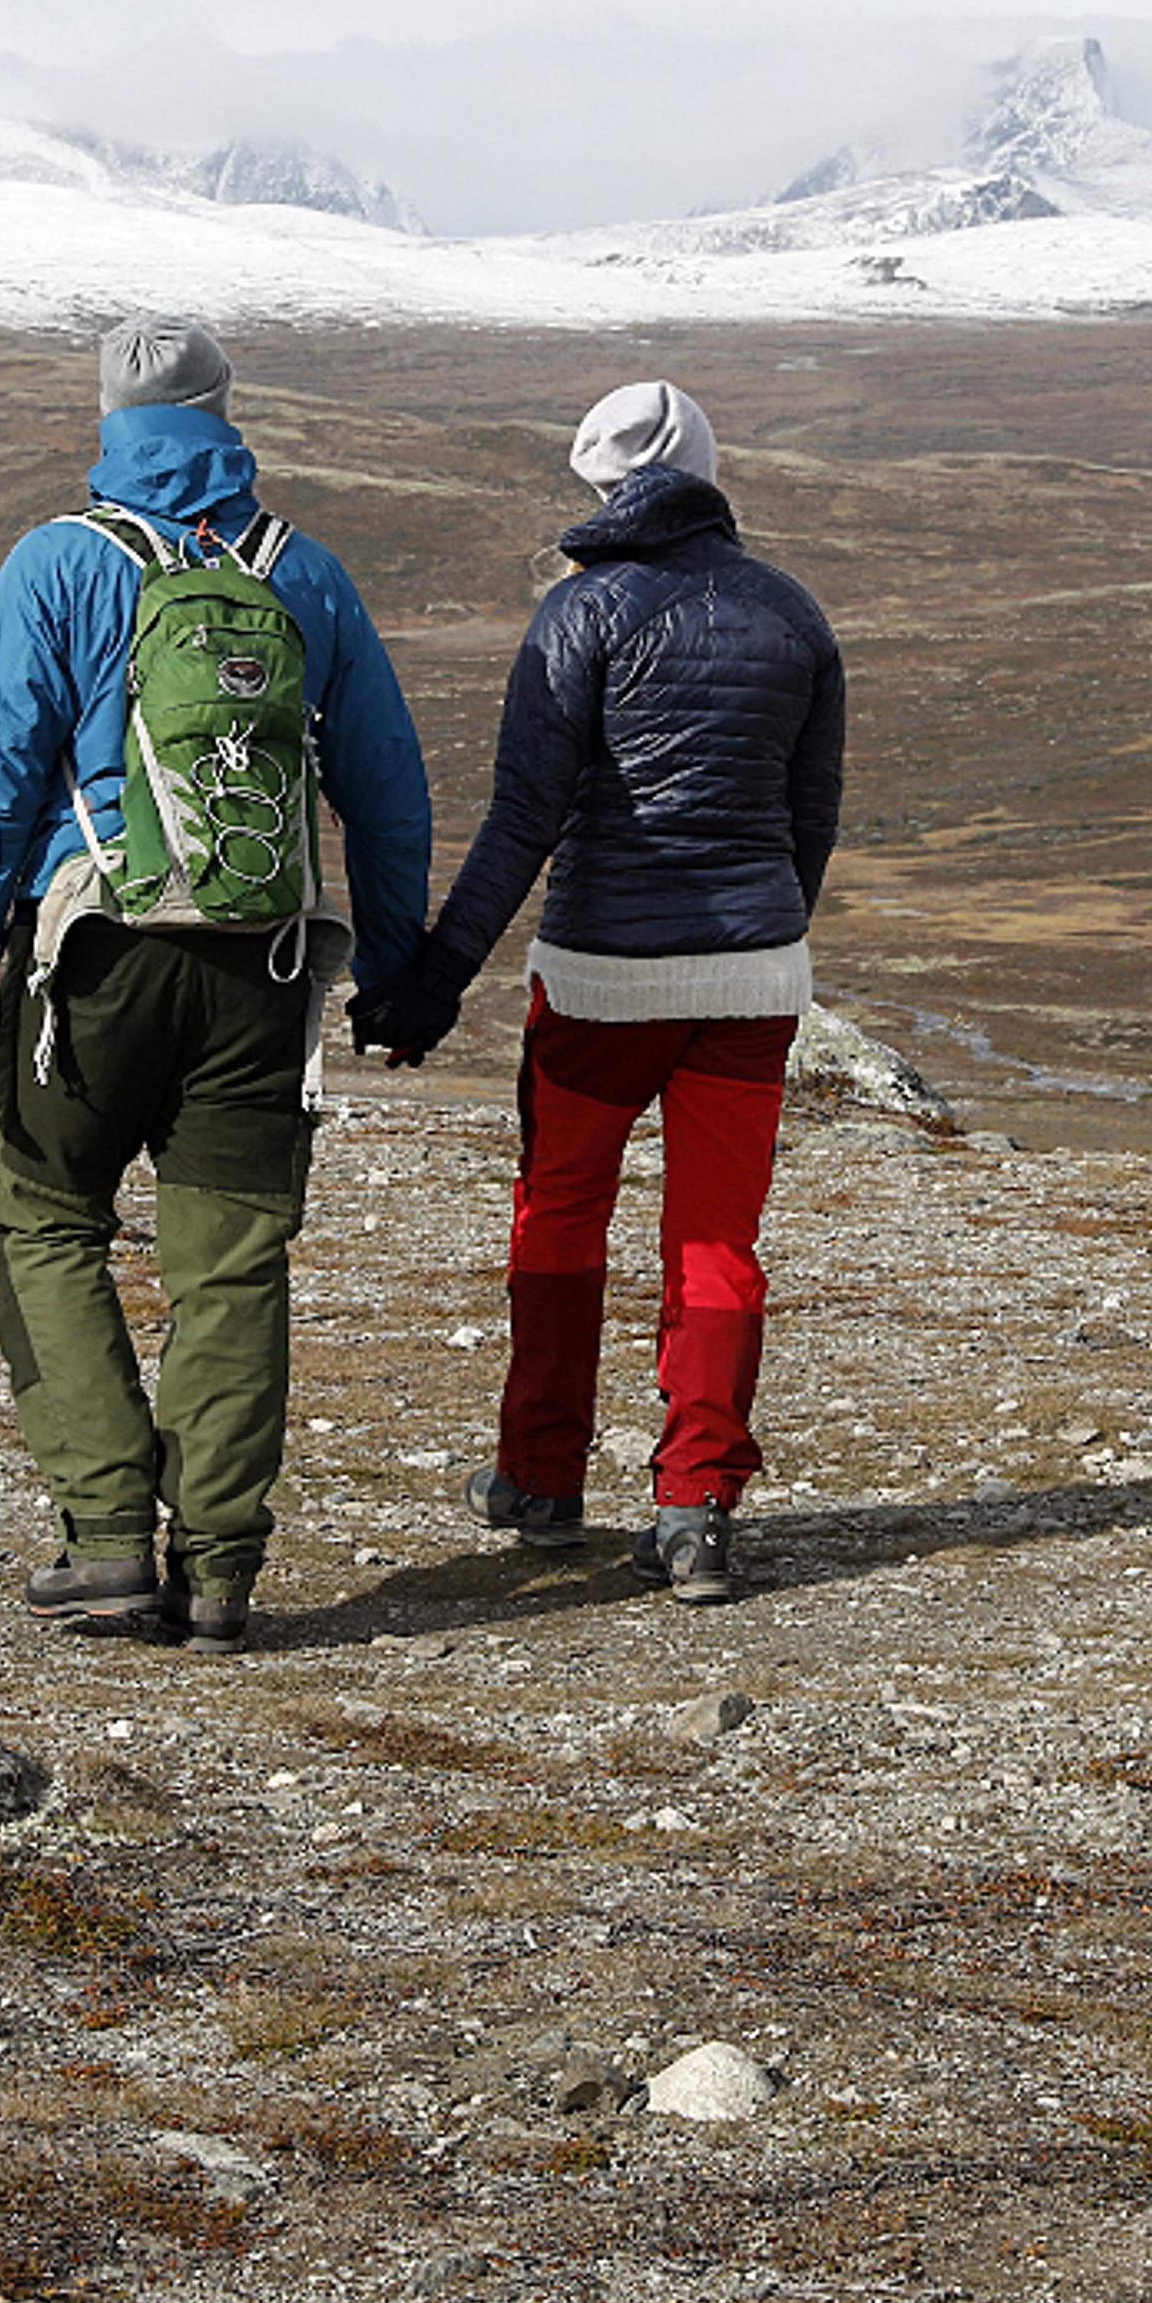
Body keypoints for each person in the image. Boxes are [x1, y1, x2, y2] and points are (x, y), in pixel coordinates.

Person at [0, 317, 431, 1653]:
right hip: (262, 965)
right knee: (233, 1265)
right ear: (224, 412)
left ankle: (105, 1542)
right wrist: (391, 962)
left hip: (93, 957)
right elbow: (387, 787)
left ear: (108, 419)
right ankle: (216, 1571)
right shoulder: (302, 571)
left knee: (44, 1220)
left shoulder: (57, 564)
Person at [358, 380, 843, 1604]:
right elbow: (812, 822)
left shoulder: (581, 611)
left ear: (600, 483)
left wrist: (434, 978)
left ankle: (541, 1479)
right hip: (751, 977)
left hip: (598, 985)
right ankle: (697, 1509)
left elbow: (524, 819)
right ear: (709, 472)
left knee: (561, 1214)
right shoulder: (792, 612)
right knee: (717, 1240)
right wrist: (763, 934)